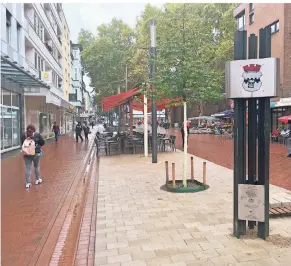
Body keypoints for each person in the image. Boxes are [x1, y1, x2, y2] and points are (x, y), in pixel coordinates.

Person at [21, 124, 45, 188]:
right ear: (34, 129)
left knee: (27, 168)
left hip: (26, 154)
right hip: (36, 153)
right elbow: (42, 142)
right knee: (36, 166)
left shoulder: (24, 135)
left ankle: (28, 183)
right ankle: (37, 180)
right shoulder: (37, 134)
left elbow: (22, 144)